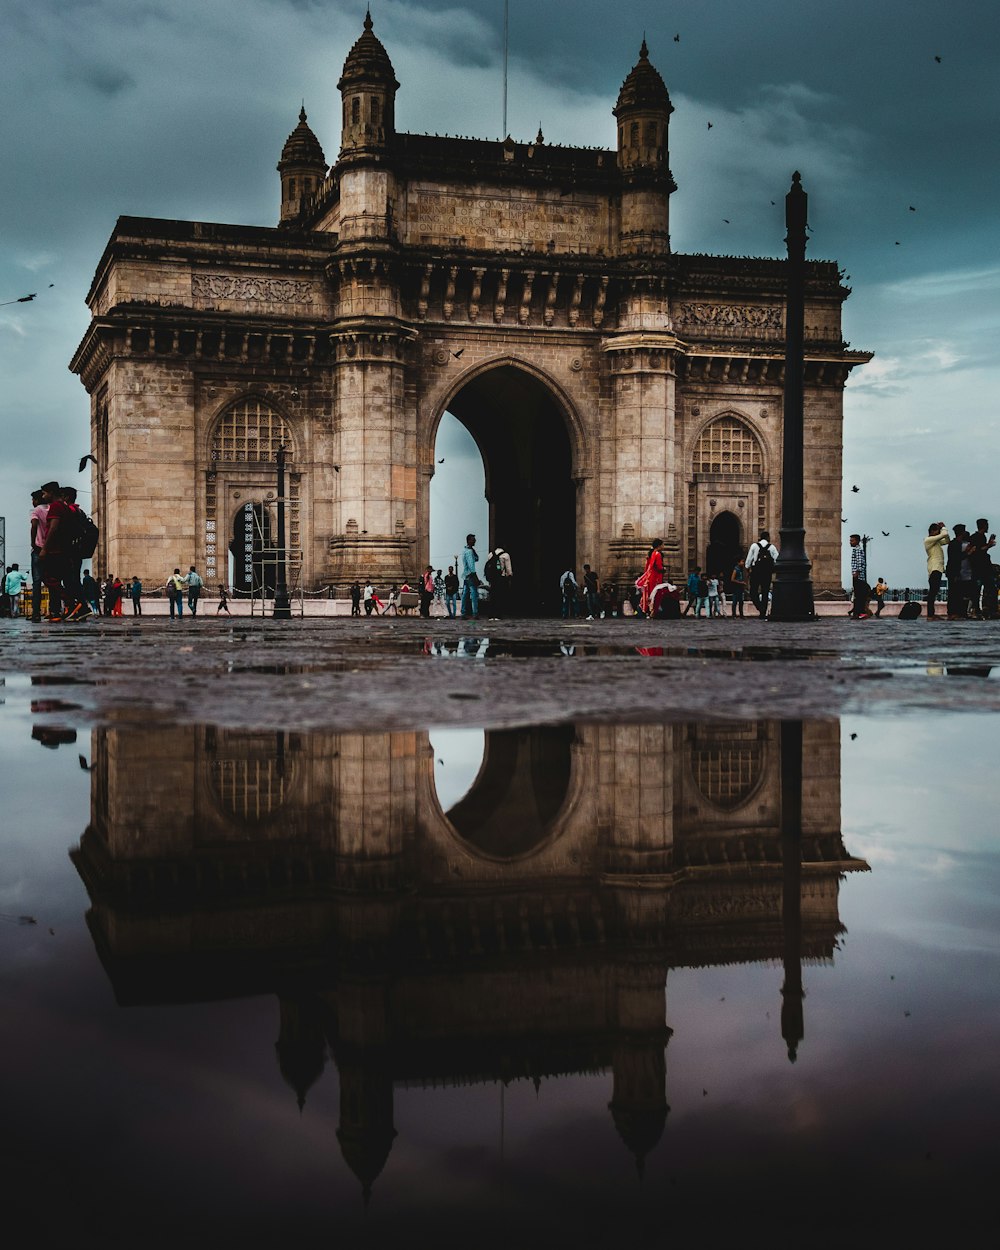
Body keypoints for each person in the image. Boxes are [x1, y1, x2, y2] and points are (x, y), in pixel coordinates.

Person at [38, 481, 84, 620]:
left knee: (48, 577)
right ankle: (74, 606)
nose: (43, 496)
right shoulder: (65, 507)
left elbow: (53, 528)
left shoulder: (55, 507)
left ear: (51, 493)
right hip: (65, 549)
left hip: (54, 550)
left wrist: (45, 548)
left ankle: (72, 602)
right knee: (64, 579)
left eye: (44, 493)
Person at [966, 518, 997, 619]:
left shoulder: (980, 537)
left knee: (984, 588)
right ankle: (980, 609)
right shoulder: (977, 537)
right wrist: (989, 545)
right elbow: (979, 550)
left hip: (981, 567)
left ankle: (983, 609)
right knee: (985, 588)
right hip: (980, 568)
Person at [745, 531, 778, 617]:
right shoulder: (772, 547)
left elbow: (748, 560)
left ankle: (760, 607)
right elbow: (777, 559)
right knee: (765, 592)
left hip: (756, 571)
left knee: (753, 591)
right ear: (767, 538)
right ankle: (763, 611)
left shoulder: (754, 546)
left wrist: (747, 568)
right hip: (767, 572)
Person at [29, 489, 48, 622]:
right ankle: (55, 610)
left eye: (33, 499)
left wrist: (33, 543)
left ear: (37, 500)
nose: (32, 502)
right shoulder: (51, 509)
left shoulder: (36, 511)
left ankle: (36, 613)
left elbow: (34, 525)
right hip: (51, 550)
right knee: (53, 581)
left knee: (37, 582)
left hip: (38, 549)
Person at [924, 522, 950, 618]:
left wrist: (943, 530)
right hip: (934, 568)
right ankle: (930, 614)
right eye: (937, 531)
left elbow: (947, 540)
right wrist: (943, 527)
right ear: (932, 531)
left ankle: (931, 614)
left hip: (938, 568)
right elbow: (944, 534)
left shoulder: (936, 542)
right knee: (932, 592)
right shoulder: (928, 540)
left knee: (934, 591)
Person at [946, 525, 971, 619]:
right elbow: (956, 559)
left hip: (954, 571)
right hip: (954, 571)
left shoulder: (954, 543)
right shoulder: (955, 544)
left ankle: (956, 612)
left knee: (957, 593)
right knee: (954, 593)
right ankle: (952, 613)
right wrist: (967, 553)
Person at [636, 540, 664, 616]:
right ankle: (653, 611)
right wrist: (663, 569)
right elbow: (659, 567)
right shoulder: (657, 554)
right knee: (656, 594)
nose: (663, 546)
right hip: (656, 577)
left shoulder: (652, 554)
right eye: (662, 545)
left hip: (650, 577)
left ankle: (648, 610)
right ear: (659, 546)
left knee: (649, 594)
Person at [847, 533, 870, 618]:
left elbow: (860, 562)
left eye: (852, 540)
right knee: (858, 595)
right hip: (858, 575)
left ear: (857, 541)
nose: (850, 542)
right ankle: (857, 613)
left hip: (858, 576)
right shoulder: (857, 549)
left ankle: (860, 612)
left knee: (859, 595)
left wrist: (857, 572)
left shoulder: (858, 550)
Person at [461, 534, 480, 619]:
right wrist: (475, 576)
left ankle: (463, 613)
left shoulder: (465, 550)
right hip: (471, 575)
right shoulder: (469, 552)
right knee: (474, 595)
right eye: (473, 540)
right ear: (469, 541)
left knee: (465, 595)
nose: (475, 541)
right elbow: (472, 565)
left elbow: (476, 558)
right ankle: (475, 613)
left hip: (466, 575)